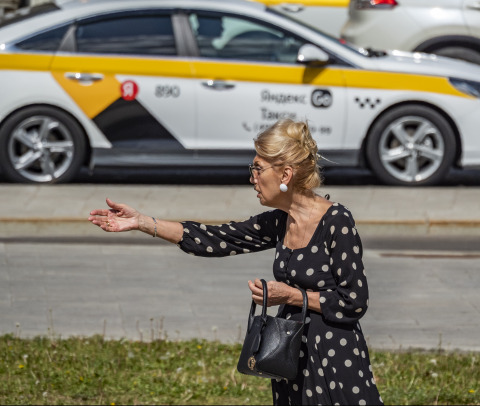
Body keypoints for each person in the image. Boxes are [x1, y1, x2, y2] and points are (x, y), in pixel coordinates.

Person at [88, 119, 384, 406]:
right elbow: (216, 239)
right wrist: (142, 221)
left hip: (334, 359)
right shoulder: (281, 222)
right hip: (291, 358)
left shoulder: (336, 221)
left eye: (257, 168)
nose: (252, 177)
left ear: (285, 175)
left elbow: (354, 302)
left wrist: (291, 295)